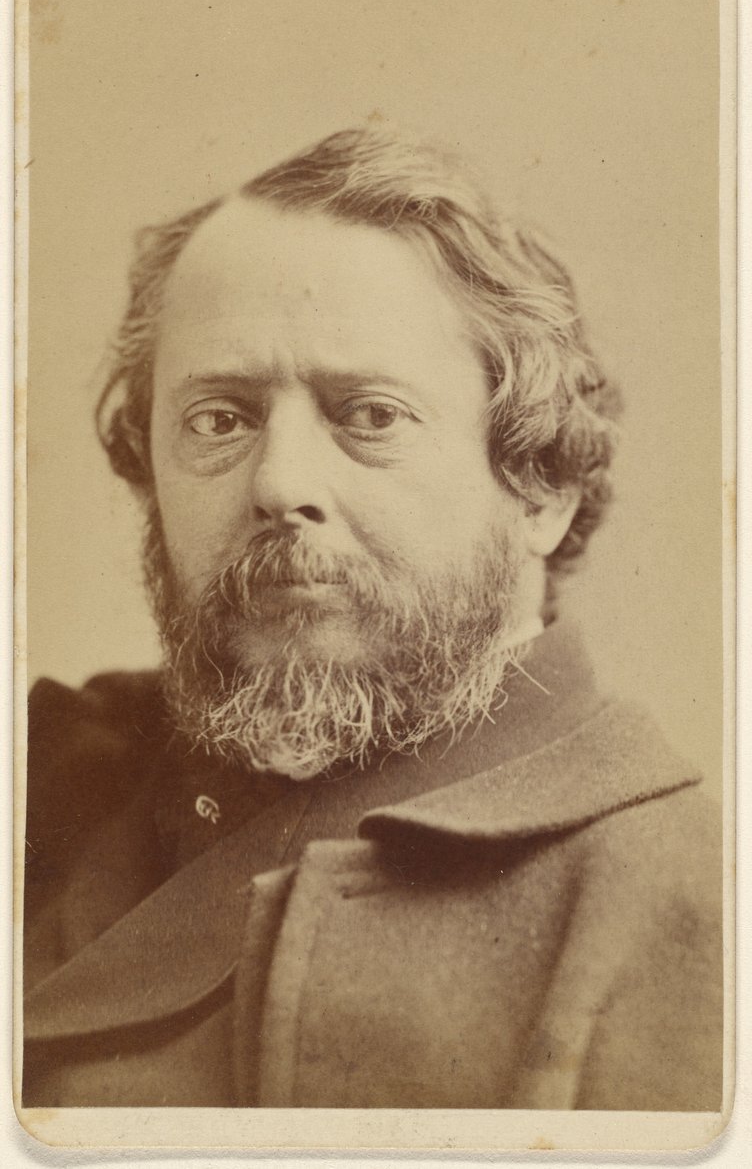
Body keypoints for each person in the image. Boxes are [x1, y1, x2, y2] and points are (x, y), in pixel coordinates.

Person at [23, 128, 722, 1111]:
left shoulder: (685, 901)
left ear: (540, 489)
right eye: (219, 420)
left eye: (371, 416)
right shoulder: (49, 787)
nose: (279, 484)